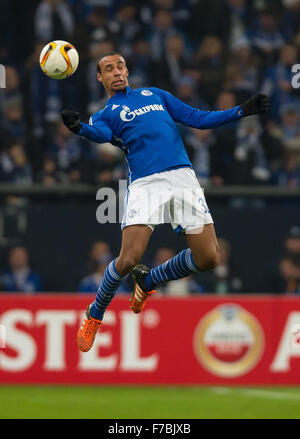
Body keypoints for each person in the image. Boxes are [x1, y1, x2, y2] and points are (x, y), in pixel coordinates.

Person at [61, 51, 269, 352]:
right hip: (146, 183)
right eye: (108, 68)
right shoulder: (106, 113)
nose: (116, 71)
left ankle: (149, 282)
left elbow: (197, 118)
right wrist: (78, 128)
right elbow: (100, 134)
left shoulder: (155, 94)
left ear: (127, 70)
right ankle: (94, 314)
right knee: (129, 258)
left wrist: (241, 111)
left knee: (209, 257)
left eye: (120, 65)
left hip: (183, 177)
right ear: (100, 78)